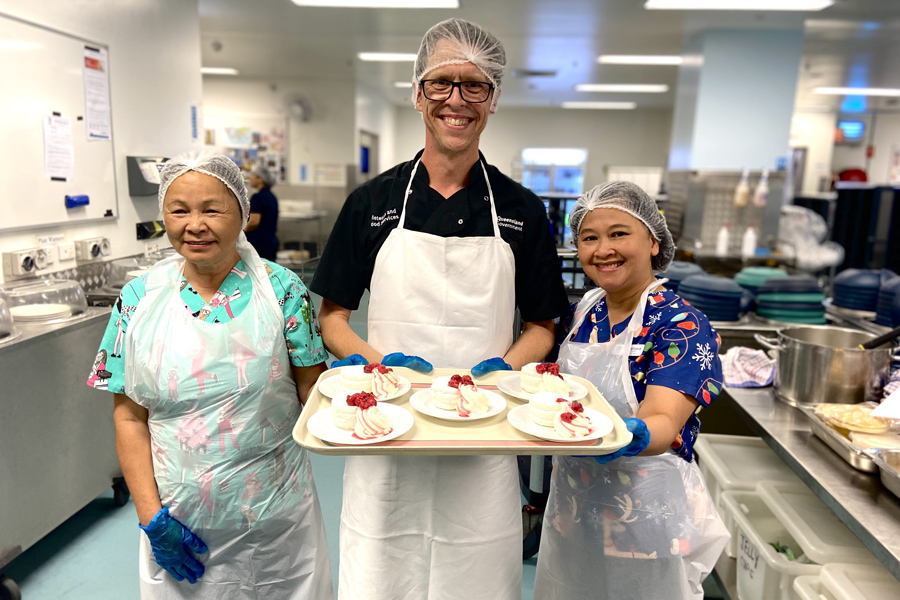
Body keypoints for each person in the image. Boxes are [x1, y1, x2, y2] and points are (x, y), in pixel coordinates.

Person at [309, 18, 569, 600]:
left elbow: (543, 326)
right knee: (382, 569)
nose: (456, 100)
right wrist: (379, 365)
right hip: (386, 429)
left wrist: (503, 369)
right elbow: (331, 319)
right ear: (417, 93)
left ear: (493, 98)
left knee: (472, 571)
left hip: (484, 435)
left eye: (473, 85)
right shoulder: (371, 203)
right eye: (441, 83)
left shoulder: (521, 210)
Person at [88, 152, 334, 599]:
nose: (194, 224)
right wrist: (151, 518)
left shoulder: (283, 291)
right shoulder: (138, 300)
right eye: (179, 210)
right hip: (178, 523)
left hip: (275, 521)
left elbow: (311, 396)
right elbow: (129, 418)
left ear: (242, 213)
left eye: (212, 209)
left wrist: (349, 389)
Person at [532, 181, 729, 599]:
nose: (603, 249)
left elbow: (662, 419)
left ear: (654, 242)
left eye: (619, 233)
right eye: (589, 238)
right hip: (575, 505)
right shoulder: (585, 309)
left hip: (643, 514)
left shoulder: (682, 325)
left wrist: (632, 432)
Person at [245, 163, 280, 260]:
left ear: (260, 178)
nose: (250, 177)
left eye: (252, 174)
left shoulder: (258, 197)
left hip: (259, 243)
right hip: (271, 242)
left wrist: (241, 232)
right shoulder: (272, 197)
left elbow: (254, 222)